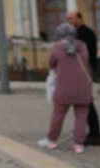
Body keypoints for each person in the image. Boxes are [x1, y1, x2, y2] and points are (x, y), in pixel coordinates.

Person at [37, 23, 92, 154]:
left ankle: (52, 141)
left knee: (58, 115)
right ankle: (78, 144)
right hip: (83, 87)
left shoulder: (58, 47)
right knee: (81, 117)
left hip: (63, 87)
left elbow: (51, 63)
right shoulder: (82, 46)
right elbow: (86, 62)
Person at [66, 11, 100, 146]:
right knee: (83, 103)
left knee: (86, 103)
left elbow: (81, 54)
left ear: (79, 18)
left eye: (71, 18)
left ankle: (95, 134)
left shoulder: (85, 33)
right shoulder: (79, 33)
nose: (69, 21)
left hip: (84, 71)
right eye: (68, 19)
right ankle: (91, 132)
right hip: (82, 70)